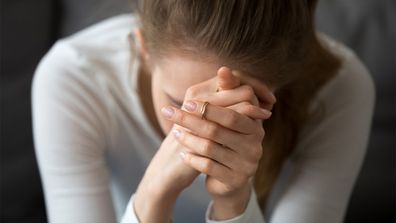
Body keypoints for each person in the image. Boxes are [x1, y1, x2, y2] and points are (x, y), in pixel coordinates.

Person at [31, 0, 375, 223]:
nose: (205, 132)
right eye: (182, 105)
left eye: (242, 108)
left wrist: (233, 201)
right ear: (144, 48)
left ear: (281, 86)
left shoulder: (340, 86)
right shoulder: (73, 77)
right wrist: (152, 197)